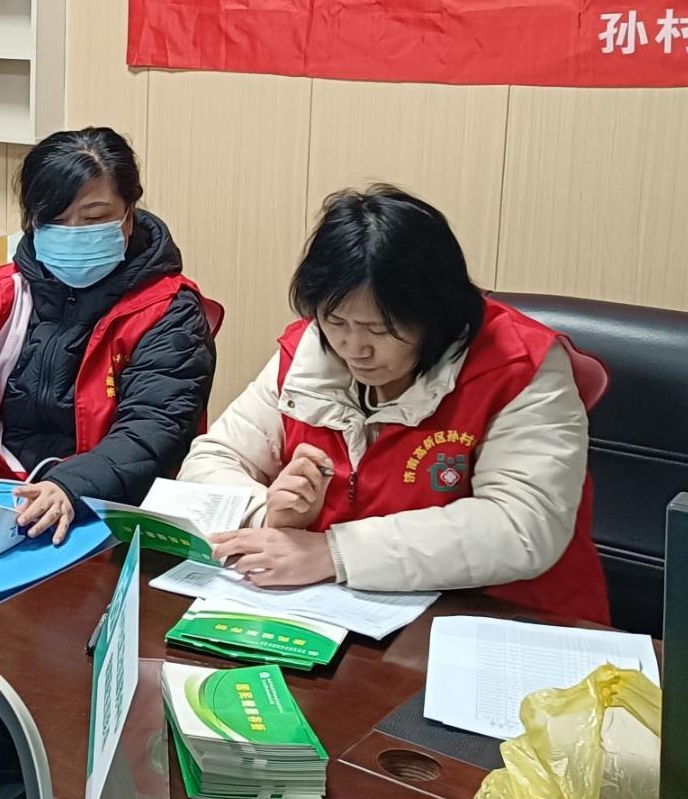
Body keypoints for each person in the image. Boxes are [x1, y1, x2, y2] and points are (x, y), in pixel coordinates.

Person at [185, 187, 610, 623]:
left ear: (437, 314)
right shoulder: (308, 353)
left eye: (381, 329)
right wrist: (271, 515)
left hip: (502, 620)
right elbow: (211, 461)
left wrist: (334, 552)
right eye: (335, 320)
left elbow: (522, 527)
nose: (354, 348)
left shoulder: (520, 365)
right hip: (344, 611)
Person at [0, 128, 219, 545]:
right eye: (56, 220)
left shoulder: (170, 310)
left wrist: (69, 485)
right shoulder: (6, 294)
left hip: (113, 514)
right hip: (8, 498)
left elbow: (152, 430)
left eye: (95, 218)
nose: (75, 232)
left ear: (129, 212)